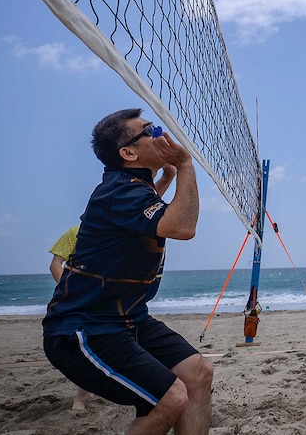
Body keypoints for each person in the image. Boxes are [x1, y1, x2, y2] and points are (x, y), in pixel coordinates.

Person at [42, 109, 213, 435]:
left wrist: (165, 177)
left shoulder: (133, 187)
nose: (161, 133)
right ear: (129, 153)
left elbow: (145, 214)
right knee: (171, 398)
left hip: (128, 317)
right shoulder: (119, 191)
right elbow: (182, 226)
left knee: (198, 374)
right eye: (151, 130)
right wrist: (185, 165)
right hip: (84, 326)